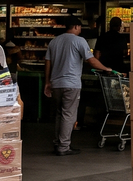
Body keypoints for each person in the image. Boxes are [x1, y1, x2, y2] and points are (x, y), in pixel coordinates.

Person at [45, 14, 111, 156]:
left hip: (56, 84)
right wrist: (106, 68)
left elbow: (48, 63)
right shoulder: (79, 41)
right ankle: (64, 146)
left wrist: (47, 82)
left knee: (59, 114)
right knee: (68, 115)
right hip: (71, 84)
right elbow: (91, 60)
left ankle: (58, 142)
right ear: (76, 26)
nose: (80, 29)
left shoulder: (54, 42)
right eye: (80, 27)